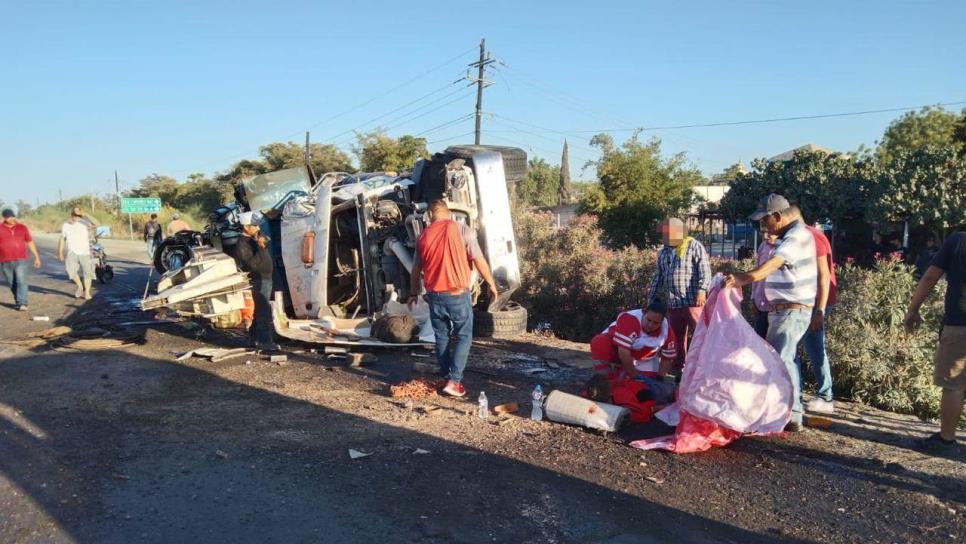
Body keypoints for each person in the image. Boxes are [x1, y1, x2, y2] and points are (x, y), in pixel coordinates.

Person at [725, 194, 817, 432]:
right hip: (781, 309)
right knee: (779, 359)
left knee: (782, 360)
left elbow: (773, 264)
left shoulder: (796, 237)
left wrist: (743, 279)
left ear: (777, 216)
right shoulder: (786, 236)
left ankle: (793, 413)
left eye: (765, 220)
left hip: (791, 309)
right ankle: (781, 410)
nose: (763, 226)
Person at [408, 200, 499, 398]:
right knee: (464, 336)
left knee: (441, 337)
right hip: (457, 294)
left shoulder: (423, 236)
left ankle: (446, 376)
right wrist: (491, 283)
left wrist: (413, 293)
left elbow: (415, 270)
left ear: (431, 214)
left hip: (434, 296)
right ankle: (454, 382)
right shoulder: (461, 229)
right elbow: (478, 259)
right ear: (448, 213)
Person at [903, 230, 965, 451]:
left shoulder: (958, 241)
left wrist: (913, 309)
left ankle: (946, 439)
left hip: (960, 325)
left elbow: (930, 276)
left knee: (954, 386)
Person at [646, 217, 711, 374]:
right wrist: (651, 298)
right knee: (677, 338)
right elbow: (658, 277)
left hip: (693, 302)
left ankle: (703, 369)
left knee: (701, 335)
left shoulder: (694, 246)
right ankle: (679, 370)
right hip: (673, 303)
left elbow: (705, 270)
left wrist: (702, 290)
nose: (663, 236)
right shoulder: (663, 252)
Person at [588, 301, 678, 405]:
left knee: (645, 390)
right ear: (644, 312)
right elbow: (624, 355)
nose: (650, 325)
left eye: (655, 323)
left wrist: (659, 378)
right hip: (617, 350)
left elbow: (667, 358)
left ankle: (621, 379)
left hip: (644, 358)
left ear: (662, 321)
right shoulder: (629, 319)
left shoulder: (667, 332)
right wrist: (636, 377)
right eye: (648, 320)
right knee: (599, 342)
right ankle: (604, 380)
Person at [233, 211, 277, 351]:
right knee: (264, 311)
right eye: (254, 225)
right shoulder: (242, 244)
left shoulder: (252, 239)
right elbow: (252, 265)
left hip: (266, 278)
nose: (258, 228)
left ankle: (253, 337)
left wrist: (261, 245)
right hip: (259, 280)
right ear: (246, 226)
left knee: (260, 310)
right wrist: (261, 248)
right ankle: (265, 342)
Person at [0, 209, 42, 311]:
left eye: (12, 216)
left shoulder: (22, 228)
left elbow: (30, 242)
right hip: (4, 260)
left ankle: (23, 303)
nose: (11, 219)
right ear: (4, 218)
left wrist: (37, 257)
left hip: (21, 259)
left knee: (21, 281)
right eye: (8, 217)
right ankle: (19, 301)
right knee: (11, 283)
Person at [57, 207, 94, 299]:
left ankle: (87, 293)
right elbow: (62, 239)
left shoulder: (85, 223)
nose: (77, 217)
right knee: (70, 271)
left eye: (79, 215)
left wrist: (86, 215)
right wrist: (60, 252)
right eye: (75, 215)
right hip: (72, 252)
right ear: (71, 215)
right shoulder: (66, 225)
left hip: (85, 252)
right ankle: (80, 286)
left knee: (87, 273)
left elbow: (97, 224)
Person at [751, 229, 778, 339]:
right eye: (763, 233)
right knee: (759, 342)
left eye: (769, 233)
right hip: (761, 304)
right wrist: (753, 298)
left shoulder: (785, 248)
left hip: (777, 308)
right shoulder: (763, 246)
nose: (766, 236)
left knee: (777, 346)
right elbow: (756, 272)